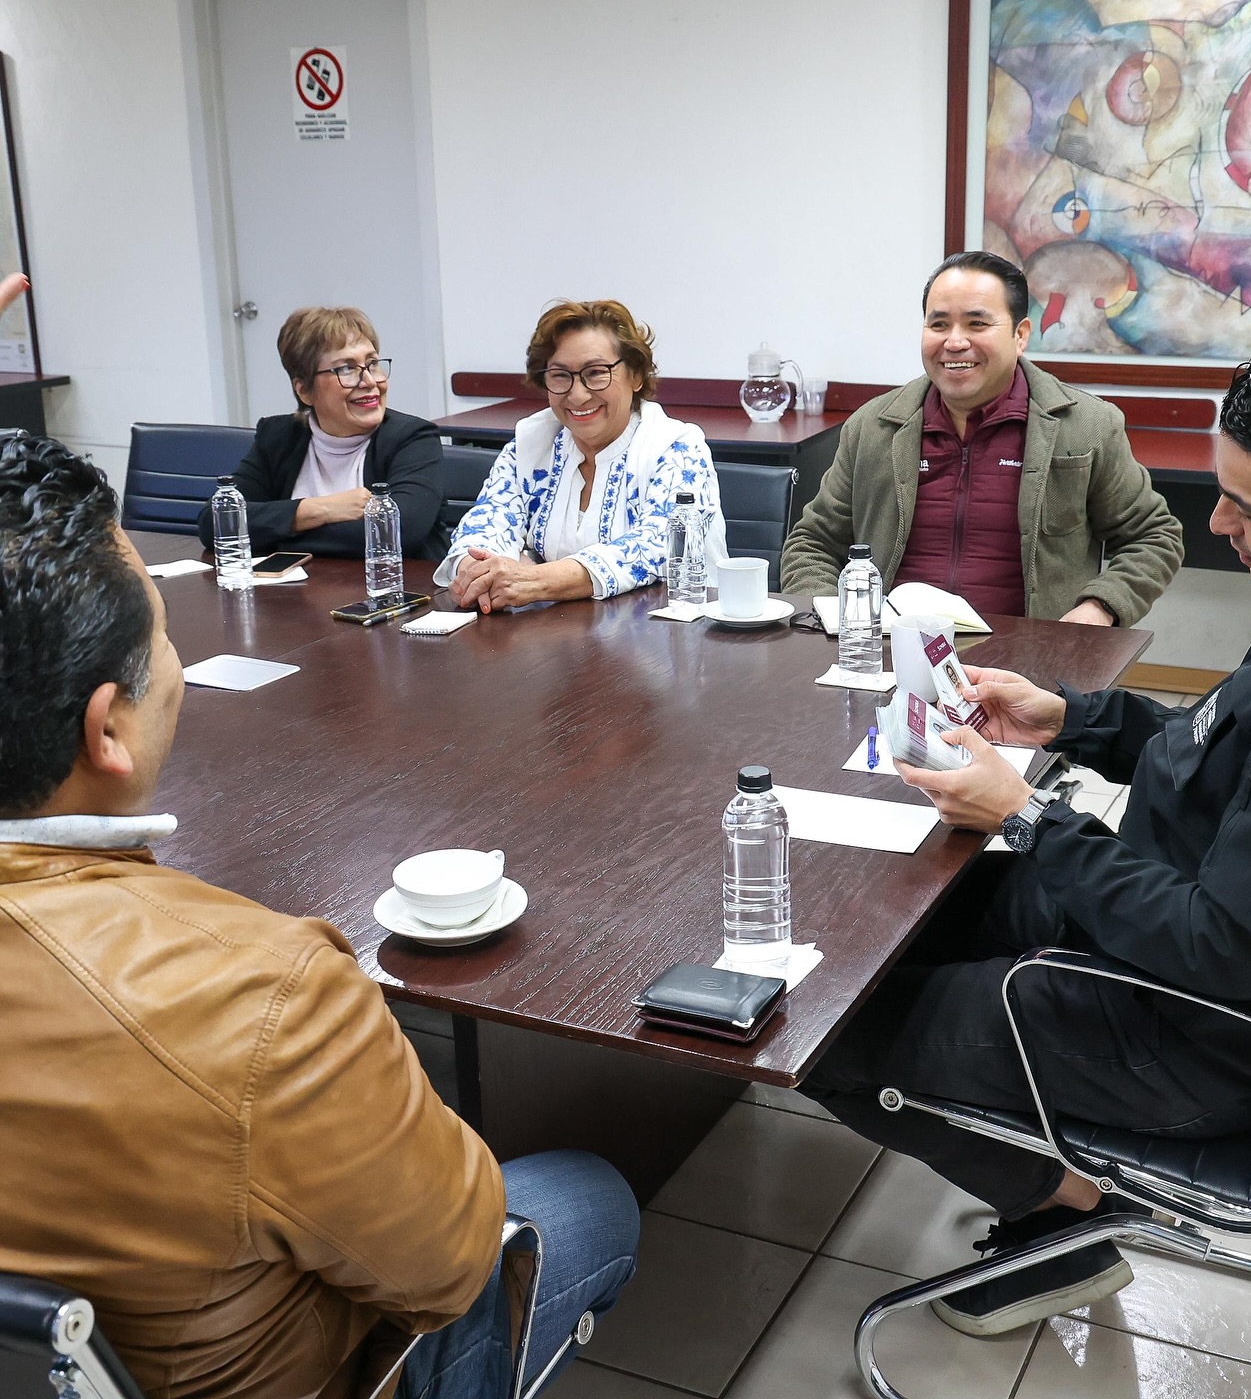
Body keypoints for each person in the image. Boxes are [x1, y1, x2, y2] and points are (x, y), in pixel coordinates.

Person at [801, 331, 1251, 1337]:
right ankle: (1050, 1181)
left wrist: (1024, 814)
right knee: (884, 925)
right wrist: (1071, 717)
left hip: (1194, 1033)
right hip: (1155, 924)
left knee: (824, 1029)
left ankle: (1063, 1212)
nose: (1219, 519)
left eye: (1248, 508)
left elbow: (1223, 944)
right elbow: (1228, 749)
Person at [0, 432, 639, 1397]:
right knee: (586, 1197)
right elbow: (450, 1260)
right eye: (165, 636)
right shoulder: (262, 995)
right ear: (108, 729)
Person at [780, 252, 1183, 625]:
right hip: (891, 656)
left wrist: (1100, 608)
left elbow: (1153, 536)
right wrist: (833, 621)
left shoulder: (1086, 425)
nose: (954, 341)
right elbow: (812, 541)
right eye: (938, 324)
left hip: (1031, 669)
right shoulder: (873, 426)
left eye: (976, 323)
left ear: (1021, 334)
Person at [437, 299, 726, 611]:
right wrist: (478, 573)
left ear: (636, 376)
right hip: (559, 637)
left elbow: (655, 549)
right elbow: (484, 524)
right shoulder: (531, 445)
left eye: (596, 372)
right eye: (560, 375)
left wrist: (532, 579)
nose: (578, 394)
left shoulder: (676, 446)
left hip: (671, 640)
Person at [198, 306, 451, 560]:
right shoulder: (279, 437)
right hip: (296, 595)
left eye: (372, 364)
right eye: (346, 369)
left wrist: (276, 536)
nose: (370, 382)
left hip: (394, 593)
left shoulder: (412, 438)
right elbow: (216, 523)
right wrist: (321, 509)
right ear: (305, 390)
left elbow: (398, 530)